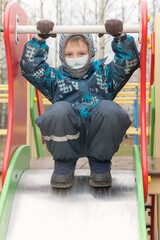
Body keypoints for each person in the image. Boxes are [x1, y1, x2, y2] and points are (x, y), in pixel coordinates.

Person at [20, 19, 139, 189]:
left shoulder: (104, 75)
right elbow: (30, 68)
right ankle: (64, 165)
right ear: (62, 56)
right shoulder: (55, 79)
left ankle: (100, 165)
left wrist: (119, 37)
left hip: (99, 137)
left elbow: (129, 62)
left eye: (81, 53)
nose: (75, 58)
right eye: (69, 54)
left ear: (91, 53)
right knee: (58, 110)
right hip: (67, 138)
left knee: (110, 109)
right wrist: (40, 39)